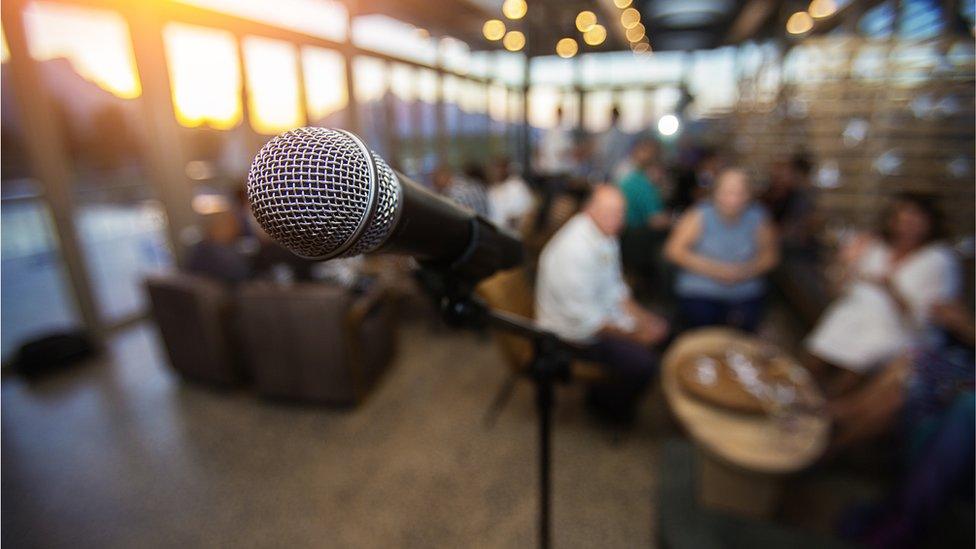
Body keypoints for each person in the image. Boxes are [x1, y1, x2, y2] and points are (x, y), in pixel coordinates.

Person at [536, 185, 669, 423]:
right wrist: (637, 335)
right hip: (569, 334)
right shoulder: (574, 250)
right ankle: (605, 408)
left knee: (663, 324)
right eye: (610, 213)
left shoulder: (605, 234)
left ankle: (610, 395)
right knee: (643, 364)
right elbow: (588, 321)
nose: (618, 220)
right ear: (588, 211)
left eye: (621, 212)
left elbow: (617, 288)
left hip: (598, 317)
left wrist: (643, 319)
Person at [806, 193, 960, 395]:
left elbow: (929, 319)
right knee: (818, 349)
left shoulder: (939, 259)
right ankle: (794, 396)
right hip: (854, 315)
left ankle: (827, 410)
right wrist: (845, 263)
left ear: (930, 223)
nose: (906, 225)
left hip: (901, 330)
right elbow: (836, 290)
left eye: (914, 220)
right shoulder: (875, 246)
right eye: (901, 218)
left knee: (865, 353)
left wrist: (891, 288)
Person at [665, 167, 779, 333]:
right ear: (715, 193)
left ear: (748, 195)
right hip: (700, 290)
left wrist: (744, 271)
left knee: (743, 328)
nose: (732, 200)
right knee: (700, 324)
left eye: (739, 193)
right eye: (727, 193)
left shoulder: (758, 217)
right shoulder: (699, 214)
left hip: (745, 291)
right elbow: (673, 250)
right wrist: (716, 270)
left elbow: (770, 256)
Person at [762, 153, 820, 258]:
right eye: (776, 174)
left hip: (792, 249)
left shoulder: (798, 197)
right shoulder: (766, 197)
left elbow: (800, 226)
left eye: (782, 173)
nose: (779, 177)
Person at [185, 210, 251, 284]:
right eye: (230, 224)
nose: (237, 229)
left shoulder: (201, 247)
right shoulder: (213, 252)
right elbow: (240, 275)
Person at [486, 156, 535, 234]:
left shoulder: (517, 186)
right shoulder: (491, 190)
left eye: (500, 167)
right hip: (496, 234)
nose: (497, 171)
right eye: (494, 168)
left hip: (514, 234)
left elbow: (530, 212)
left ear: (507, 169)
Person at [596, 106, 631, 180]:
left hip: (617, 169)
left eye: (614, 116)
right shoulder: (605, 134)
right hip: (605, 168)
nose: (613, 118)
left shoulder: (622, 136)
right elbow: (601, 152)